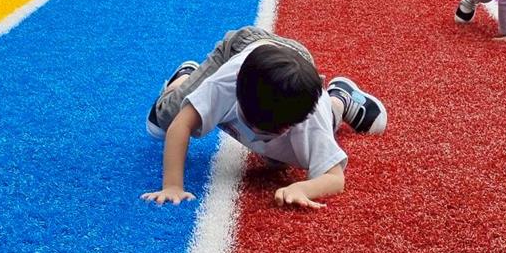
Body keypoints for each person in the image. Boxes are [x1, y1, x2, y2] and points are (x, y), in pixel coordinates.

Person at [141, 26, 387, 210]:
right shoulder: (227, 83)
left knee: (288, 155)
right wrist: (172, 185)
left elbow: (335, 178)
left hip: (297, 65)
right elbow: (181, 125)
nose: (263, 133)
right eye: (255, 126)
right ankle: (186, 77)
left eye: (278, 130)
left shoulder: (309, 117)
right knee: (164, 120)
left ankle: (339, 99)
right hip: (242, 47)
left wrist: (302, 187)